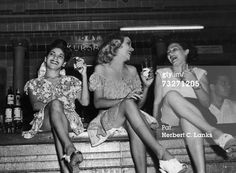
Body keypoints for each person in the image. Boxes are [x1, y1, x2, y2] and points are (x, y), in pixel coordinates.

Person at [87, 34, 190, 173]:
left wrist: (146, 86)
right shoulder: (101, 69)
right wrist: (124, 100)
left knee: (132, 119)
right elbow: (97, 103)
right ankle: (162, 154)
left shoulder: (132, 70)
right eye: (128, 44)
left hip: (129, 117)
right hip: (108, 119)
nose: (132, 48)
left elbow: (138, 107)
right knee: (128, 103)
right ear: (115, 47)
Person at [153, 40, 236, 173]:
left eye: (174, 49)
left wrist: (195, 83)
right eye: (168, 52)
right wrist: (154, 123)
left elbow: (206, 104)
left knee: (187, 119)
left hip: (194, 116)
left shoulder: (199, 73)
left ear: (186, 52)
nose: (170, 53)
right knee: (171, 95)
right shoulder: (162, 73)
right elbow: (157, 102)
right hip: (169, 118)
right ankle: (214, 132)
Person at [23, 39, 89, 173]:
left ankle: (69, 156)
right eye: (52, 54)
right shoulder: (33, 83)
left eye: (60, 56)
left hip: (70, 121)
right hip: (44, 119)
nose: (55, 58)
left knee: (57, 121)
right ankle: (70, 149)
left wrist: (84, 75)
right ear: (45, 58)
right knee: (55, 105)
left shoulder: (71, 80)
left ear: (64, 63)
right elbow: (36, 105)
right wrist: (57, 104)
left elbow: (85, 102)